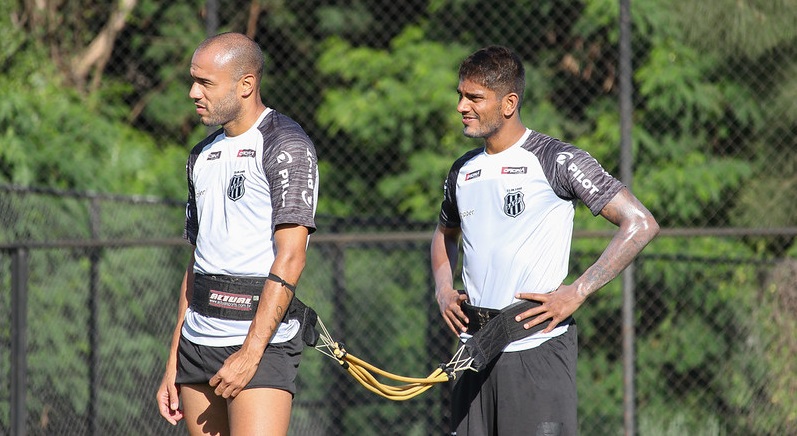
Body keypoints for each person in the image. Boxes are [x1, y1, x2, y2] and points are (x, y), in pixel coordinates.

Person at [431, 45, 659, 436]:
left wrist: (579, 291)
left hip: (536, 349)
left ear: (509, 103)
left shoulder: (557, 159)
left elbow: (640, 224)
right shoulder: (462, 170)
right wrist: (442, 288)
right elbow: (443, 234)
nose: (461, 106)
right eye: (460, 95)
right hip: (472, 352)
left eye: (474, 97)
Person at [156, 32, 319, 436]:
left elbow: (292, 256)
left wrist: (251, 352)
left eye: (205, 83)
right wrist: (174, 356)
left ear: (246, 84)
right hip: (197, 343)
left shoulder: (286, 143)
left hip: (260, 344)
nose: (193, 92)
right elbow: (198, 261)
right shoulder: (201, 155)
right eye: (193, 81)